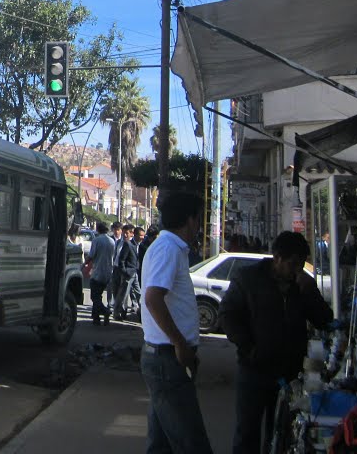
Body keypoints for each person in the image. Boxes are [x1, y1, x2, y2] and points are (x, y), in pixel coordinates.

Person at [219, 231, 334, 454]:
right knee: (247, 431)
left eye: (301, 264)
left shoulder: (300, 287)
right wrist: (249, 348)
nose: (296, 269)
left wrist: (311, 291)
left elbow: (323, 320)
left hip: (289, 374)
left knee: (282, 431)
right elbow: (228, 315)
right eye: (293, 263)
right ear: (277, 258)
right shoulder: (249, 279)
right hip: (254, 369)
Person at [140, 192, 213, 454]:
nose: (199, 227)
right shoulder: (168, 248)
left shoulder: (169, 248)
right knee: (193, 444)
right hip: (167, 360)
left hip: (166, 359)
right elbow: (153, 298)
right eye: (199, 219)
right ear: (190, 220)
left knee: (161, 446)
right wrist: (180, 344)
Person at [87, 222, 114, 325]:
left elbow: (91, 255)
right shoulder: (111, 241)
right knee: (98, 294)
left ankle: (105, 311)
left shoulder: (96, 240)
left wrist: (85, 263)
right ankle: (96, 317)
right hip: (108, 271)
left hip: (97, 271)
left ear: (98, 229)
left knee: (94, 296)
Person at [114, 224, 139, 320]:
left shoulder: (133, 243)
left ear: (131, 234)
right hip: (121, 270)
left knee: (135, 292)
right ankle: (118, 312)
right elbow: (120, 259)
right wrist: (124, 271)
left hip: (131, 271)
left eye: (127, 233)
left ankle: (126, 311)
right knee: (121, 293)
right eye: (124, 233)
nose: (125, 235)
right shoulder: (122, 243)